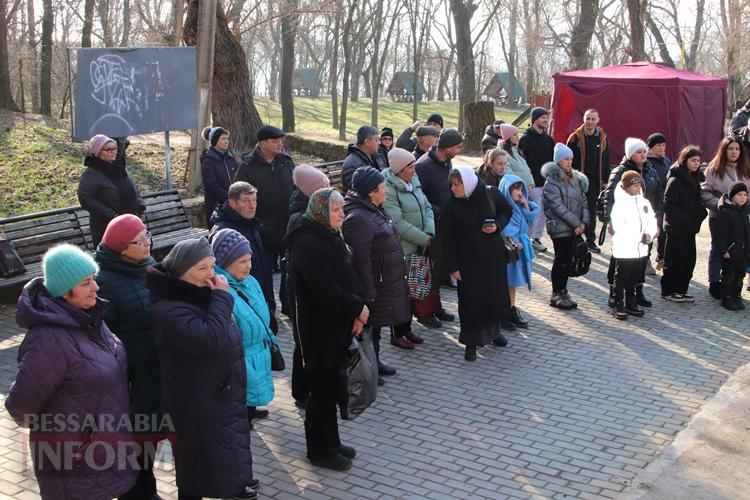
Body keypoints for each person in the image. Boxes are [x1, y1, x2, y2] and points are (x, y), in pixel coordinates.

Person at [6, 244, 136, 500]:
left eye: (94, 280)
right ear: (65, 291)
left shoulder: (90, 319)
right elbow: (20, 405)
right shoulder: (48, 338)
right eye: (86, 282)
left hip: (103, 449)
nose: (96, 288)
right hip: (74, 460)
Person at [146, 238, 256, 499]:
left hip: (219, 392)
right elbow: (210, 340)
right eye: (202, 268)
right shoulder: (169, 309)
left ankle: (235, 487)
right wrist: (221, 297)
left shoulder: (200, 295)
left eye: (213, 266)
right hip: (195, 401)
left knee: (224, 459)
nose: (212, 275)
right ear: (182, 273)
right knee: (194, 470)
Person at [286, 188, 368, 471]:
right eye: (336, 210)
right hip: (317, 332)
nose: (342, 215)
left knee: (332, 389)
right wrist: (358, 307)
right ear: (321, 211)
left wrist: (359, 307)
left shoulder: (329, 235)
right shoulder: (306, 243)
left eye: (341, 209)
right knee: (320, 393)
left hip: (336, 326)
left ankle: (331, 442)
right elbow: (326, 290)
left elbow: (348, 275)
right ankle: (319, 450)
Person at [94, 215, 161, 500]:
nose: (147, 243)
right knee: (134, 443)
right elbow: (103, 337)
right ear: (122, 247)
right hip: (130, 379)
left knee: (151, 438)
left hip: (155, 372)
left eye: (147, 235)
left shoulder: (150, 266)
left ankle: (148, 490)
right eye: (140, 240)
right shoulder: (104, 282)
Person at [343, 166, 412, 379]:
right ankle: (367, 370)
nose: (387, 191)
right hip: (374, 285)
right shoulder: (358, 218)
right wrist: (369, 292)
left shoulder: (374, 209)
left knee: (376, 328)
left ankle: (376, 362)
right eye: (383, 187)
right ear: (371, 191)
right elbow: (360, 261)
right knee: (367, 329)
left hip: (385, 281)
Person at [441, 166, 513, 361]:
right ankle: (471, 342)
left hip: (493, 259)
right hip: (467, 262)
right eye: (452, 185)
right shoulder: (451, 205)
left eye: (458, 185)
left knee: (495, 296)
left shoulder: (490, 194)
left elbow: (507, 210)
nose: (453, 189)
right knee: (471, 302)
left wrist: (497, 225)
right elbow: (445, 239)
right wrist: (453, 267)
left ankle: (494, 332)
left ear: (469, 184)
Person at [212, 229, 275, 424]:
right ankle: (243, 419)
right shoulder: (219, 288)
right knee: (243, 389)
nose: (248, 266)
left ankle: (250, 410)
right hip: (241, 352)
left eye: (249, 260)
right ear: (225, 262)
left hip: (257, 348)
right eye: (242, 262)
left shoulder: (249, 280)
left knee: (253, 386)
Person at [234, 125, 295, 312]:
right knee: (264, 274)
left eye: (281, 140)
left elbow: (295, 189)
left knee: (290, 270)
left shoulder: (286, 161)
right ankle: (267, 309)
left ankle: (289, 306)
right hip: (262, 231)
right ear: (262, 143)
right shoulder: (247, 166)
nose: (280, 144)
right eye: (275, 141)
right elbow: (239, 196)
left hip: (287, 227)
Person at [284, 165, 330, 408]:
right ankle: (301, 391)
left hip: (308, 288)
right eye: (323, 187)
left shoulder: (311, 212)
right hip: (301, 290)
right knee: (303, 342)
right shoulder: (299, 218)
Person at [382, 148, 440, 329]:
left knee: (423, 279)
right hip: (405, 246)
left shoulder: (413, 180)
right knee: (404, 289)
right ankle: (401, 330)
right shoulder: (388, 188)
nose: (414, 170)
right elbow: (397, 222)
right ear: (399, 169)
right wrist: (424, 239)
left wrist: (429, 232)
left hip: (423, 241)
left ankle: (425, 312)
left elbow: (427, 208)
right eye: (410, 167)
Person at [602, 138, 660, 308]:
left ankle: (637, 291)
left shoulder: (651, 170)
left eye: (644, 151)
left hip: (644, 221)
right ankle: (615, 293)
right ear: (630, 154)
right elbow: (609, 196)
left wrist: (655, 222)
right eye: (638, 152)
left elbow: (657, 195)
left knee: (641, 258)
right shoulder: (621, 171)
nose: (642, 154)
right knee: (620, 260)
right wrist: (610, 221)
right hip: (626, 225)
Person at [210, 181, 276, 324]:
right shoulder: (223, 232)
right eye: (246, 201)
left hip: (259, 298)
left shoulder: (251, 224)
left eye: (254, 200)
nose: (252, 205)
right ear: (232, 203)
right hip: (243, 304)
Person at [415, 128, 464, 315]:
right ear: (447, 147)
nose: (460, 150)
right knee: (430, 270)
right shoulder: (423, 166)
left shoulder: (447, 162)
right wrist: (440, 211)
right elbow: (420, 198)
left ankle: (436, 306)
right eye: (458, 147)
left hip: (447, 225)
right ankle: (425, 311)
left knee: (442, 269)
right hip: (431, 226)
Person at [542, 143, 590, 310]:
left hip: (574, 227)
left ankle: (564, 290)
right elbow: (557, 207)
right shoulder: (552, 182)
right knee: (561, 259)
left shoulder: (576, 179)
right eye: (565, 159)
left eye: (570, 159)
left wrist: (584, 222)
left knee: (568, 260)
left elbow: (583, 201)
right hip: (559, 227)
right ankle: (556, 292)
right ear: (557, 161)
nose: (569, 162)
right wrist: (576, 223)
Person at [701, 135, 750, 298]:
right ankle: (715, 282)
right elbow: (704, 192)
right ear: (724, 150)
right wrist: (719, 204)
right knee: (718, 248)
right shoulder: (714, 169)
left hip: (742, 217)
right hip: (719, 216)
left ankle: (734, 283)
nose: (734, 152)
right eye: (730, 148)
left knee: (739, 248)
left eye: (737, 149)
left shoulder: (746, 168)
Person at [78, 134, 145, 247]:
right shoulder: (91, 173)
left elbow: (132, 187)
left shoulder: (118, 167)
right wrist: (112, 215)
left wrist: (139, 201)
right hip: (106, 227)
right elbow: (85, 199)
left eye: (114, 148)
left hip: (130, 223)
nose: (113, 152)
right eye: (108, 149)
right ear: (98, 152)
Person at [661, 146, 708, 302]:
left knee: (689, 260)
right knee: (675, 260)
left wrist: (701, 213)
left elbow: (696, 202)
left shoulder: (694, 180)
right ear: (684, 160)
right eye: (693, 160)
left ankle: (681, 289)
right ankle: (669, 291)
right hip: (676, 229)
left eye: (698, 161)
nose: (696, 164)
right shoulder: (675, 180)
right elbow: (669, 206)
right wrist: (687, 219)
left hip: (690, 230)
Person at [609, 172, 658, 320]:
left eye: (639, 185)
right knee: (622, 276)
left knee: (635, 276)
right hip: (625, 248)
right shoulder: (620, 204)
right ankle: (618, 303)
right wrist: (639, 237)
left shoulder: (644, 202)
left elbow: (651, 219)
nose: (638, 188)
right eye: (635, 185)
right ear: (626, 187)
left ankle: (631, 301)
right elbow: (619, 226)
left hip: (641, 248)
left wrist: (649, 233)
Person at [498, 174, 539, 328]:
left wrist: (527, 207)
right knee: (505, 283)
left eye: (520, 188)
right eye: (515, 189)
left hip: (517, 252)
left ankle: (511, 309)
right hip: (508, 252)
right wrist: (515, 241)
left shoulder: (520, 208)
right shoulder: (504, 209)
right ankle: (503, 313)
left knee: (512, 284)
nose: (519, 192)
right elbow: (505, 229)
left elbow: (530, 230)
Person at [566, 108, 610, 254]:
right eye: (587, 118)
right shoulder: (575, 137)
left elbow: (606, 160)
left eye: (593, 119)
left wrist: (605, 179)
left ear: (598, 120)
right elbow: (567, 160)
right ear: (583, 119)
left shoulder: (603, 138)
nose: (590, 121)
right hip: (577, 180)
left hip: (595, 181)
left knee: (591, 211)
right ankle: (573, 238)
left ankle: (590, 240)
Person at [518, 107, 555, 252]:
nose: (545, 120)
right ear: (534, 119)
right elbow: (521, 161)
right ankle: (525, 239)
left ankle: (536, 239)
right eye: (542, 117)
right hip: (531, 184)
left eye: (547, 117)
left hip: (546, 182)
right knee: (532, 212)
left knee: (543, 213)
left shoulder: (549, 140)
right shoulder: (525, 139)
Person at [714, 182, 750, 310]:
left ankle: (736, 296)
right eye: (739, 195)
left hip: (744, 252)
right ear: (732, 196)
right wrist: (724, 250)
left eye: (745, 195)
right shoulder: (726, 212)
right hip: (731, 251)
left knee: (740, 276)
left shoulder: (747, 211)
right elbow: (721, 234)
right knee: (729, 276)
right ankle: (727, 298)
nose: (743, 197)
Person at [200, 126, 238, 226]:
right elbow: (211, 186)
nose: (226, 141)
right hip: (216, 207)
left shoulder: (230, 157)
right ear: (215, 141)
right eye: (223, 139)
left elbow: (237, 178)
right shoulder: (208, 161)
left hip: (233, 204)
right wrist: (229, 199)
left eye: (227, 139)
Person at [646, 133, 672, 270]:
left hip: (665, 201)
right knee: (650, 231)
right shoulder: (647, 162)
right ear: (650, 147)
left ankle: (661, 257)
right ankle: (646, 259)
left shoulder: (666, 160)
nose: (662, 148)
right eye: (658, 146)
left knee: (663, 232)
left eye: (663, 145)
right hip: (651, 201)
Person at [341, 125, 381, 192]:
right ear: (367, 142)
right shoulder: (353, 163)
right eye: (376, 140)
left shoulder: (371, 157)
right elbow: (355, 192)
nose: (379, 143)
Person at [499, 124, 535, 194]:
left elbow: (527, 169)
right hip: (517, 191)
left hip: (527, 190)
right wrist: (521, 186)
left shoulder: (517, 151)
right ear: (508, 137)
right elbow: (509, 173)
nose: (518, 137)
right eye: (515, 135)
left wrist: (531, 184)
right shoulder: (504, 154)